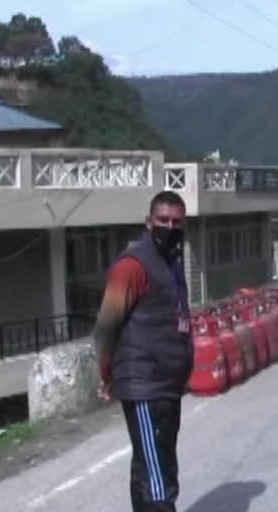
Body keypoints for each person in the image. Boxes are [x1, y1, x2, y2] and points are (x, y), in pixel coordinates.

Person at [93, 190, 193, 511]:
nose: (170, 226)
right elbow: (107, 325)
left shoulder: (172, 261)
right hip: (144, 384)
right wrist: (106, 375)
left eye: (176, 221)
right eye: (163, 220)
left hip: (167, 383)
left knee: (149, 463)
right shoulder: (133, 265)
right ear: (148, 222)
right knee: (158, 477)